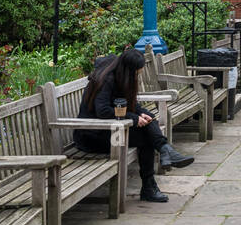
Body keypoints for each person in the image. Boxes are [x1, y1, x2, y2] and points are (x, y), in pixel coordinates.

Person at [74, 47, 193, 204]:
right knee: (145, 137)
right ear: (128, 70)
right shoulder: (106, 79)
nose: (138, 75)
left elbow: (125, 101)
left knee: (149, 119)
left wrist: (140, 113)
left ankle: (164, 153)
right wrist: (133, 117)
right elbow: (102, 111)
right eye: (137, 73)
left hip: (111, 130)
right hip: (92, 135)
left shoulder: (118, 73)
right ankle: (154, 177)